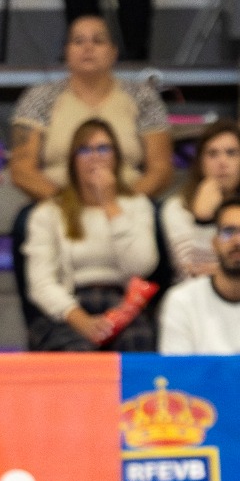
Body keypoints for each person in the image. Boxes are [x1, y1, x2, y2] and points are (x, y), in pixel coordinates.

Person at [23, 118, 160, 350]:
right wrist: (81, 320)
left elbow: (142, 266)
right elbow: (41, 282)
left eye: (103, 148)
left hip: (123, 304)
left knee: (138, 344)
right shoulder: (49, 212)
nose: (95, 157)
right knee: (77, 354)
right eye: (85, 150)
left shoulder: (137, 205)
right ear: (73, 160)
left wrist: (110, 205)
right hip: (70, 306)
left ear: (116, 157)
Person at [8, 15, 172, 202]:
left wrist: (122, 205)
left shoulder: (143, 97)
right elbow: (22, 169)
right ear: (67, 52)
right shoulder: (39, 97)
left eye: (98, 41)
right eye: (78, 41)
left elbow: (161, 169)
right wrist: (67, 205)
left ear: (114, 52)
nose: (88, 48)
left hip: (129, 203)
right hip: (57, 204)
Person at [159, 121, 240, 279]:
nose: (222, 162)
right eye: (212, 154)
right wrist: (203, 221)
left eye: (231, 153)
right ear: (200, 162)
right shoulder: (177, 206)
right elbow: (191, 272)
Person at [159, 198, 240, 353]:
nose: (237, 241)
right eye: (228, 231)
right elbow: (177, 366)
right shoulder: (182, 300)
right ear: (214, 243)